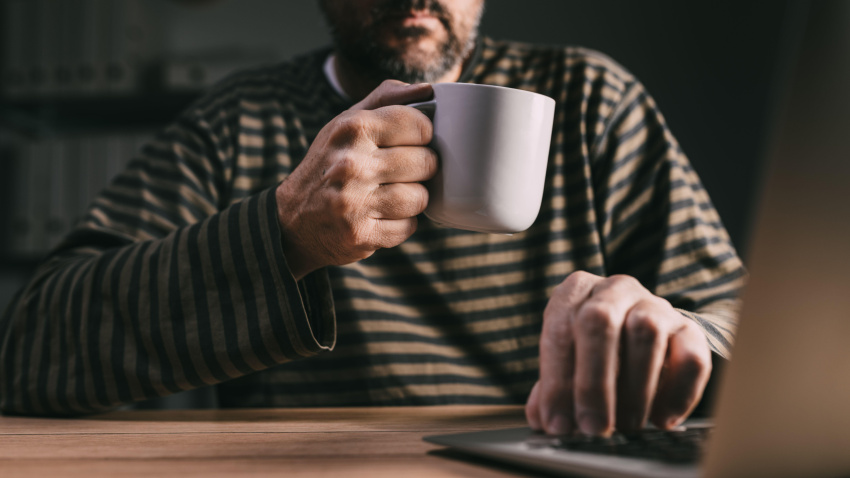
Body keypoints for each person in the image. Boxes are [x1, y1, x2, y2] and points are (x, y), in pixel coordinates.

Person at [0, 0, 744, 438]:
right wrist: (283, 233)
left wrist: (687, 337)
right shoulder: (239, 121)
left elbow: (748, 320)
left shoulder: (591, 103)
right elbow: (31, 352)